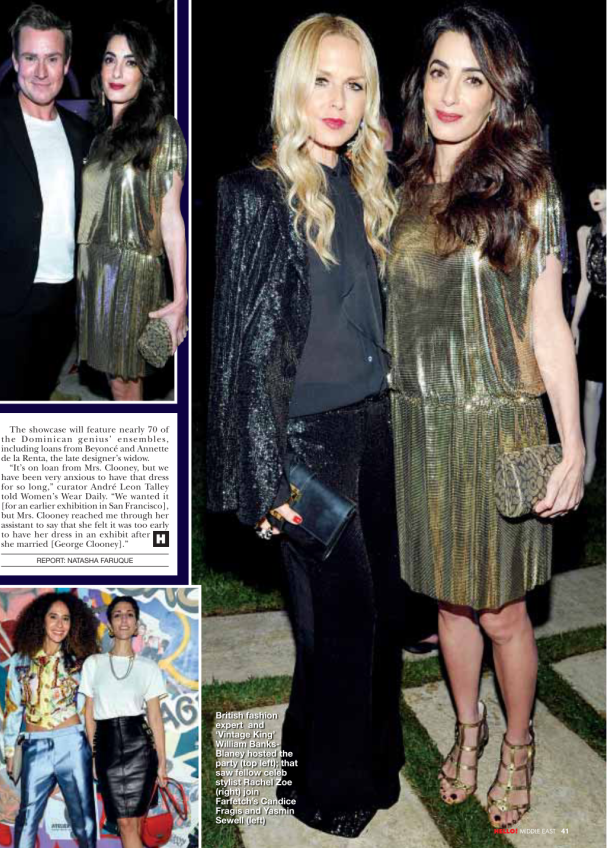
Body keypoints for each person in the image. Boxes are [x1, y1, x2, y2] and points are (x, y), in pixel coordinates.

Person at [208, 13, 435, 838]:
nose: (338, 101)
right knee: (342, 624)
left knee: (377, 619)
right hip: (303, 445)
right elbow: (238, 352)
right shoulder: (254, 195)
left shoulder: (370, 191)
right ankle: (328, 791)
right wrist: (262, 476)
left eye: (355, 84)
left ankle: (347, 759)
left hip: (376, 433)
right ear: (292, 88)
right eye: (322, 81)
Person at [387, 5, 585, 828]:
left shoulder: (526, 189)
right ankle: (467, 731)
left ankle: (518, 743)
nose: (450, 93)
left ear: (498, 94)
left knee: (502, 612)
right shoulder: (403, 187)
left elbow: (549, 326)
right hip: (420, 432)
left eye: (473, 79)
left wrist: (573, 445)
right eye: (440, 72)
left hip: (499, 430)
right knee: (448, 605)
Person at [0, 4, 94, 400]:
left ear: (66, 64)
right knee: (6, 406)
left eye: (52, 59)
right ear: (15, 61)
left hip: (63, 300)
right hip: (4, 301)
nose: (41, 71)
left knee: (39, 398)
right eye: (30, 57)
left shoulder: (81, 133)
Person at [77, 20, 187, 402]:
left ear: (145, 74)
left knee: (126, 382)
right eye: (110, 60)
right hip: (93, 271)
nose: (117, 71)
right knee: (113, 379)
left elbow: (171, 218)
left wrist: (180, 297)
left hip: (131, 274)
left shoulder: (163, 130)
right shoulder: (99, 140)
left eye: (130, 62)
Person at [2, 592, 99, 848]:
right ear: (40, 620)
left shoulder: (81, 661)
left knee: (84, 820)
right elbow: (13, 707)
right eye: (53, 617)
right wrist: (10, 750)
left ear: (73, 624)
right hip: (35, 746)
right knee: (27, 819)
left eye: (66, 619)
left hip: (72, 745)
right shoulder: (21, 660)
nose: (59, 625)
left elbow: (90, 710)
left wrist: (94, 750)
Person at [81, 596, 168, 848]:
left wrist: (162, 762)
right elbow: (89, 715)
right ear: (110, 624)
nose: (123, 620)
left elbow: (155, 717)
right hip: (107, 748)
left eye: (129, 614)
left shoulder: (149, 667)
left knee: (137, 824)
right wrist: (94, 755)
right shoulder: (93, 664)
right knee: (125, 824)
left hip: (140, 748)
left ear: (137, 624)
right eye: (117, 614)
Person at [571, 182, 605, 484]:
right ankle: (590, 456)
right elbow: (585, 282)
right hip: (595, 313)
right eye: (592, 189)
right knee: (591, 389)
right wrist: (574, 323)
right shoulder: (585, 233)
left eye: (602, 189)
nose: (595, 195)